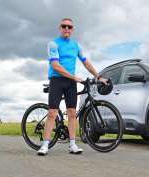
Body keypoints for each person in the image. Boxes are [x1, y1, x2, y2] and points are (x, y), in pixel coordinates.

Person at [37, 18, 108, 156]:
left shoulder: (76, 45)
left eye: (69, 27)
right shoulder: (53, 44)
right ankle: (45, 144)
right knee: (52, 112)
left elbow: (86, 63)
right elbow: (55, 65)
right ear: (60, 28)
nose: (67, 29)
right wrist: (75, 77)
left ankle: (72, 144)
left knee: (72, 114)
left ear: (72, 30)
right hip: (57, 80)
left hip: (70, 83)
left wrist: (99, 77)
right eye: (64, 26)